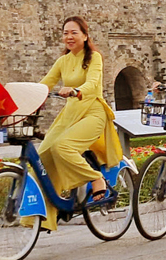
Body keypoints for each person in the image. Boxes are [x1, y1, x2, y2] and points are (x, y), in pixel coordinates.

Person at [35, 16, 122, 230]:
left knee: (62, 147)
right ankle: (47, 214)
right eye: (66, 33)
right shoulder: (63, 61)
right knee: (44, 154)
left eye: (74, 32)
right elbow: (45, 84)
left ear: (85, 35)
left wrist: (76, 90)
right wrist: (24, 95)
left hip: (92, 112)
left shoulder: (94, 58)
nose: (69, 37)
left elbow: (93, 83)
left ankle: (96, 178)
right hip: (69, 115)